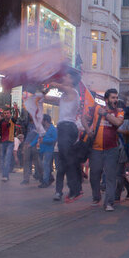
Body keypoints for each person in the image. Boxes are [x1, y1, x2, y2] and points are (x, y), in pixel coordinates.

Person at [83, 88, 124, 212]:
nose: (115, 100)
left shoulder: (120, 111)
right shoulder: (96, 109)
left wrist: (105, 114)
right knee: (94, 175)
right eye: (113, 98)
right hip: (95, 149)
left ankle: (109, 202)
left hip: (112, 149)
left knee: (111, 176)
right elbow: (83, 118)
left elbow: (117, 122)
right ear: (106, 100)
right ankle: (96, 197)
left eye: (116, 97)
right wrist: (88, 130)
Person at [50, 68, 83, 202]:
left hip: (68, 128)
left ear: (73, 80)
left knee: (68, 159)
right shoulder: (66, 94)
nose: (64, 78)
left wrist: (51, 81)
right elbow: (54, 94)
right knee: (65, 160)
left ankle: (75, 189)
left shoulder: (73, 92)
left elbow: (58, 86)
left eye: (67, 77)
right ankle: (73, 188)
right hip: (65, 128)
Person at [0, 107, 18, 181]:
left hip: (10, 142)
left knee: (7, 158)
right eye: (5, 113)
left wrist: (16, 109)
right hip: (2, 142)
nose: (6, 115)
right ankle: (5, 175)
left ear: (10, 114)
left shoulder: (12, 120)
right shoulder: (2, 121)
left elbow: (16, 117)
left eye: (7, 113)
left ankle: (5, 175)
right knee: (2, 159)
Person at [38, 114, 57, 188]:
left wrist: (44, 140)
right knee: (44, 165)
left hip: (49, 150)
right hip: (42, 149)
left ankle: (45, 181)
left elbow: (54, 139)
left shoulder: (53, 129)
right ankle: (49, 178)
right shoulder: (43, 128)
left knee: (45, 165)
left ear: (45, 121)